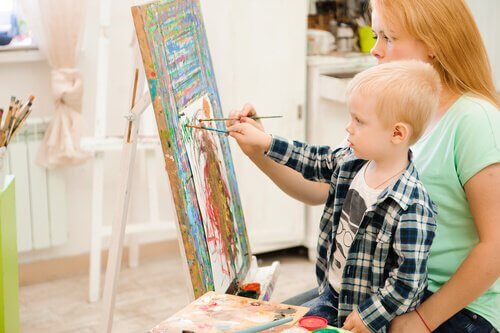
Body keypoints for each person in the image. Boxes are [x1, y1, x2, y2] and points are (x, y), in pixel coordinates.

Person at [227, 0, 500, 332]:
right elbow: (320, 187)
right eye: (375, 36)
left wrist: (423, 320)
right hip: (375, 288)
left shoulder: (475, 120)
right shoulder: (387, 113)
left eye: (388, 37)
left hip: (454, 305)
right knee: (267, 324)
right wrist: (260, 149)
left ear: (433, 44)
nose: (375, 50)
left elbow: (496, 245)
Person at [228, 60, 441, 332]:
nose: (348, 128)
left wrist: (369, 316)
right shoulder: (352, 161)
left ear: (397, 133)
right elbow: (312, 159)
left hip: (369, 317)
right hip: (333, 295)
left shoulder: (413, 205)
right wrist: (266, 142)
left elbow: (408, 283)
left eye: (359, 121)